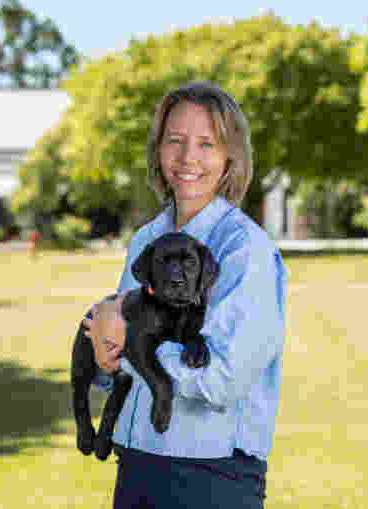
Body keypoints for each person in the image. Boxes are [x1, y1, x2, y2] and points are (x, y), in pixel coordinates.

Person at [82, 81, 288, 509]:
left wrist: (129, 350)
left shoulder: (244, 249)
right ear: (158, 150)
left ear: (230, 156)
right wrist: (106, 358)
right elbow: (121, 348)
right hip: (137, 463)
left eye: (206, 144)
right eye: (174, 141)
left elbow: (224, 378)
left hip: (210, 475)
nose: (187, 157)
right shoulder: (147, 240)